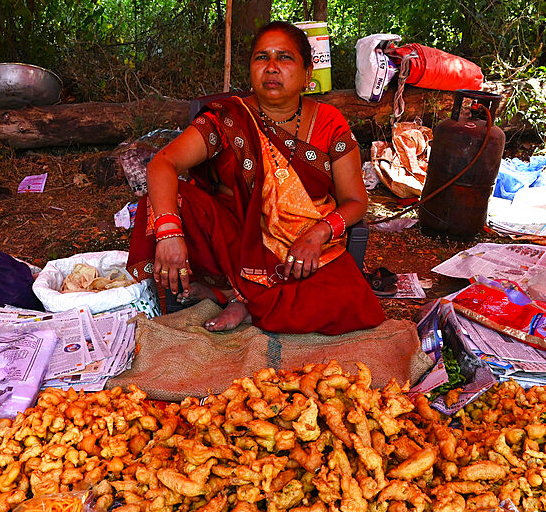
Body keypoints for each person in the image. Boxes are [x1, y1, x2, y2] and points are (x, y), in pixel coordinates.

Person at [127, 21, 385, 335]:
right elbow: (162, 164)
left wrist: (318, 234)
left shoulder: (329, 122)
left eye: (285, 58)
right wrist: (169, 233)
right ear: (250, 69)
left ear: (307, 75)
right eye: (262, 57)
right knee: (169, 200)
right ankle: (234, 293)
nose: (272, 68)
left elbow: (356, 201)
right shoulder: (228, 119)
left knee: (349, 302)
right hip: (236, 239)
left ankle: (237, 300)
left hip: (299, 247)